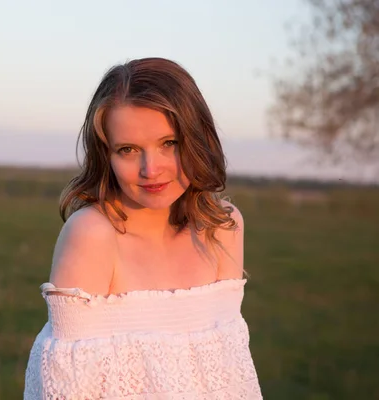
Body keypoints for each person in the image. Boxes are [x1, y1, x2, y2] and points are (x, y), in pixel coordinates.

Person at [24, 57, 262, 399]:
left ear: (198, 138)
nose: (151, 169)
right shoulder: (92, 235)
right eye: (128, 150)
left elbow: (231, 375)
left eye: (170, 143)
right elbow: (65, 389)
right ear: (106, 155)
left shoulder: (222, 226)